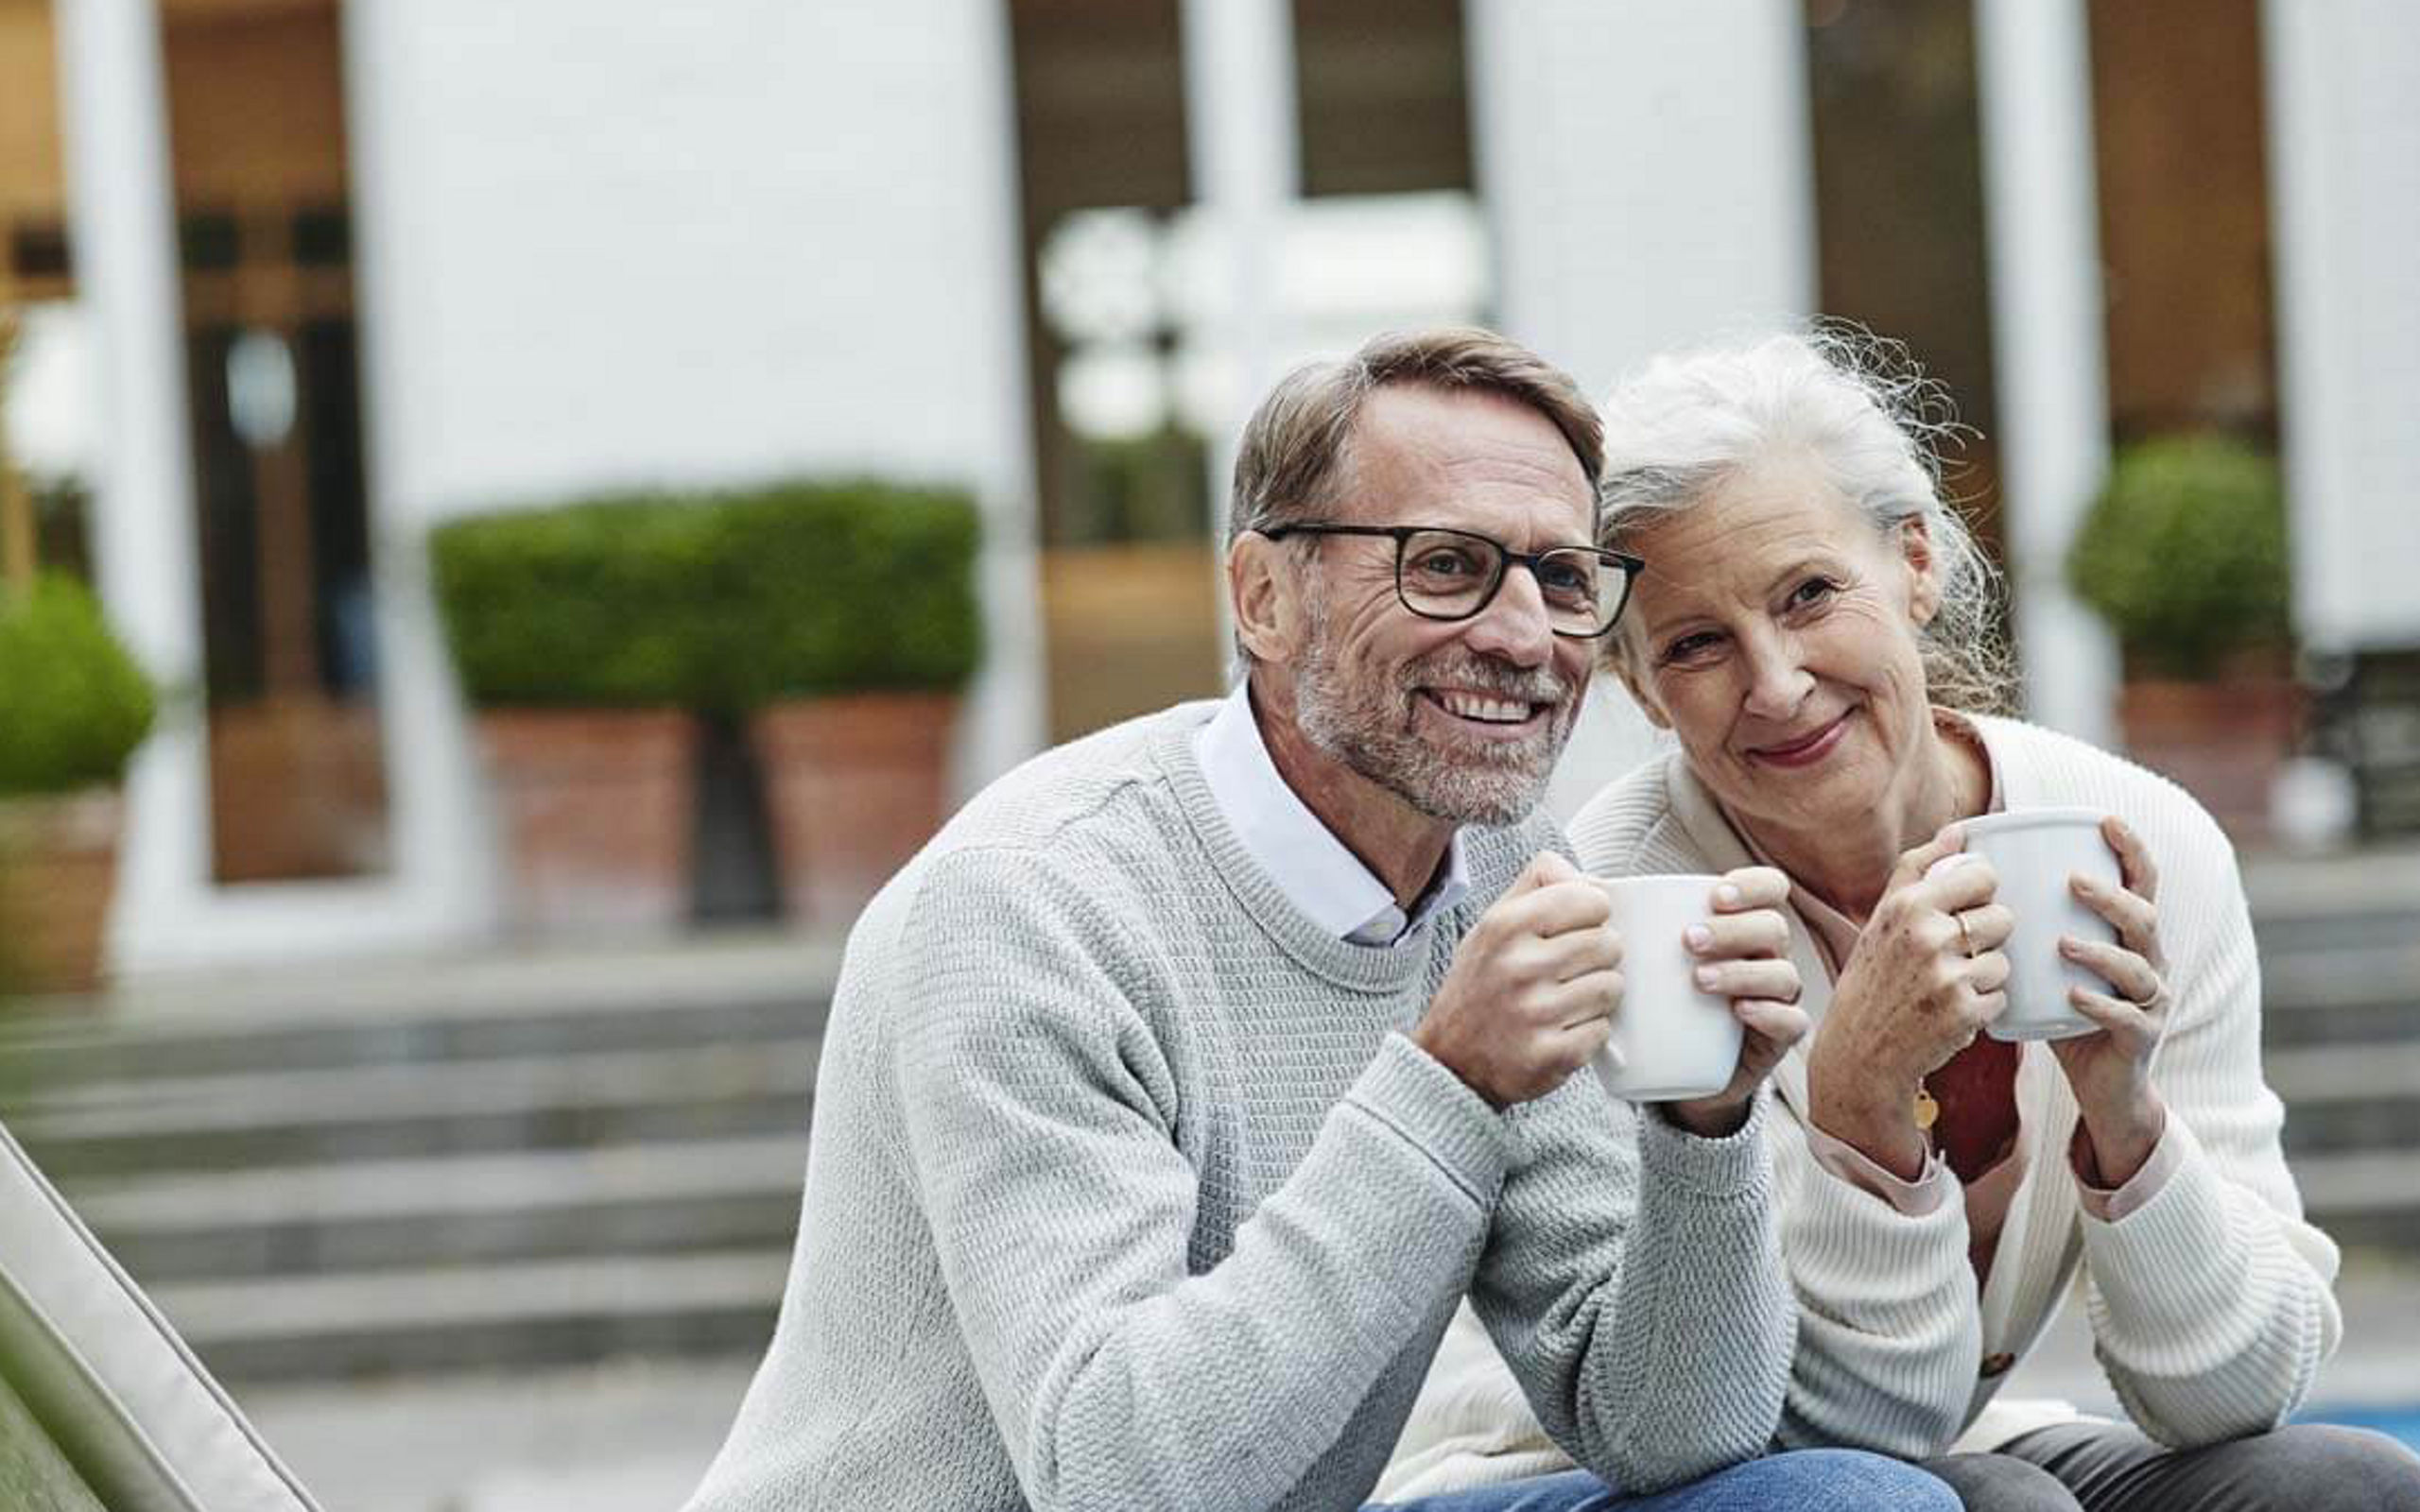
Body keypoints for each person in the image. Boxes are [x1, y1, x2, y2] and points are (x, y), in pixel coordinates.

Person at [681, 328, 1962, 1512]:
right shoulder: (1027, 905)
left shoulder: (1506, 870)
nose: (1525, 637)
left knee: (1863, 1505)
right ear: (1263, 600)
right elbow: (1116, 1475)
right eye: (1447, 566)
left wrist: (1705, 1129)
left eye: (1564, 579)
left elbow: (1669, 1434)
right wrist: (1447, 1083)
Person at [1384, 327, 2420, 1511]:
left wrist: (2124, 1122)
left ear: (1916, 564)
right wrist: (1860, 1105)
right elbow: (1786, 1434)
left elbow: (2230, 1395)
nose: (1774, 684)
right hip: (1584, 1469)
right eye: (1696, 644)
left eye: (1809, 594)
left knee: (2342, 1485)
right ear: (1637, 687)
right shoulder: (1617, 903)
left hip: (1932, 1450)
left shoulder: (2136, 842)